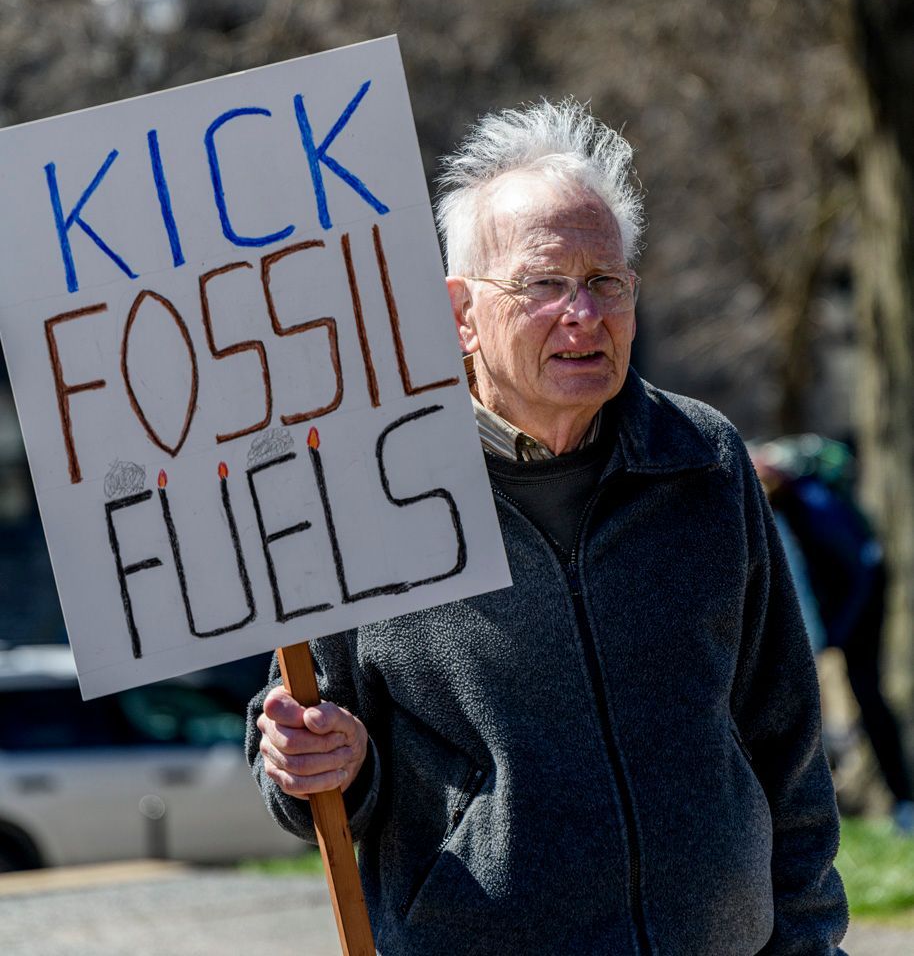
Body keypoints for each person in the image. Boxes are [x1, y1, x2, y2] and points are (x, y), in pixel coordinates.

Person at [246, 99, 848, 955]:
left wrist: (810, 943)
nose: (584, 314)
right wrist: (326, 763)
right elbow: (300, 741)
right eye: (543, 285)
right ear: (461, 313)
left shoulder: (703, 460)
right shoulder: (365, 490)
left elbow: (785, 738)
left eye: (607, 282)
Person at [754, 443, 914, 834]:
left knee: (868, 697)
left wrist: (838, 633)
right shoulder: (793, 508)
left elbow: (860, 573)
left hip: (861, 610)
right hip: (846, 611)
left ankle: (903, 802)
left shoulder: (815, 506)